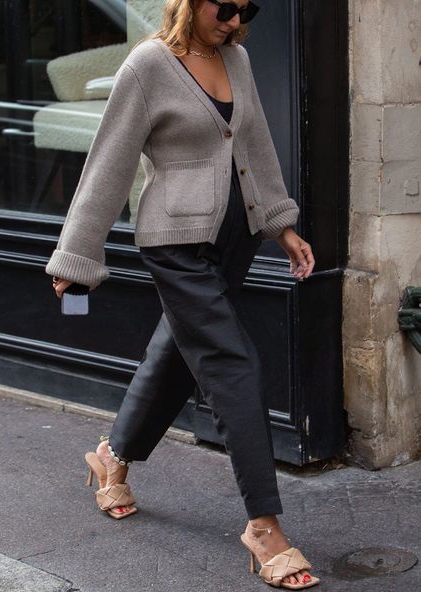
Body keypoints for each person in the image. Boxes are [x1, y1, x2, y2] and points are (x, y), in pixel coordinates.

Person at [46, 0, 319, 588]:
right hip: (175, 243)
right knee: (231, 361)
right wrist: (78, 254)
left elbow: (256, 145)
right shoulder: (148, 66)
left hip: (235, 238)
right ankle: (264, 527)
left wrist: (282, 225)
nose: (235, 18)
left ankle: (111, 459)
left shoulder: (235, 58)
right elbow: (110, 161)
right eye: (225, 6)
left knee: (175, 354)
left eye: (249, 8)